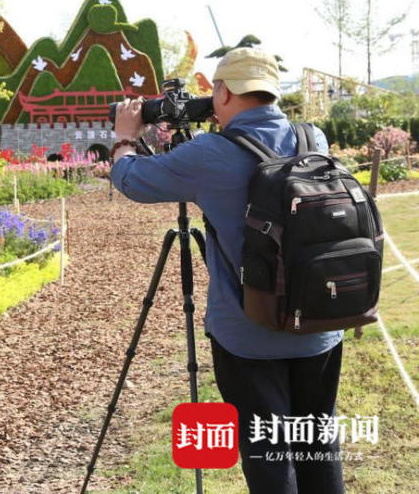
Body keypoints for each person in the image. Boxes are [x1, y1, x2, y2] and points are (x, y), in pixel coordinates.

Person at [110, 47, 345, 493]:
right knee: (318, 445)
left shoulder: (209, 154)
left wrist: (126, 137)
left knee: (269, 460)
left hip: (248, 334)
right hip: (319, 323)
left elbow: (131, 180)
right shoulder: (313, 137)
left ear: (221, 91)